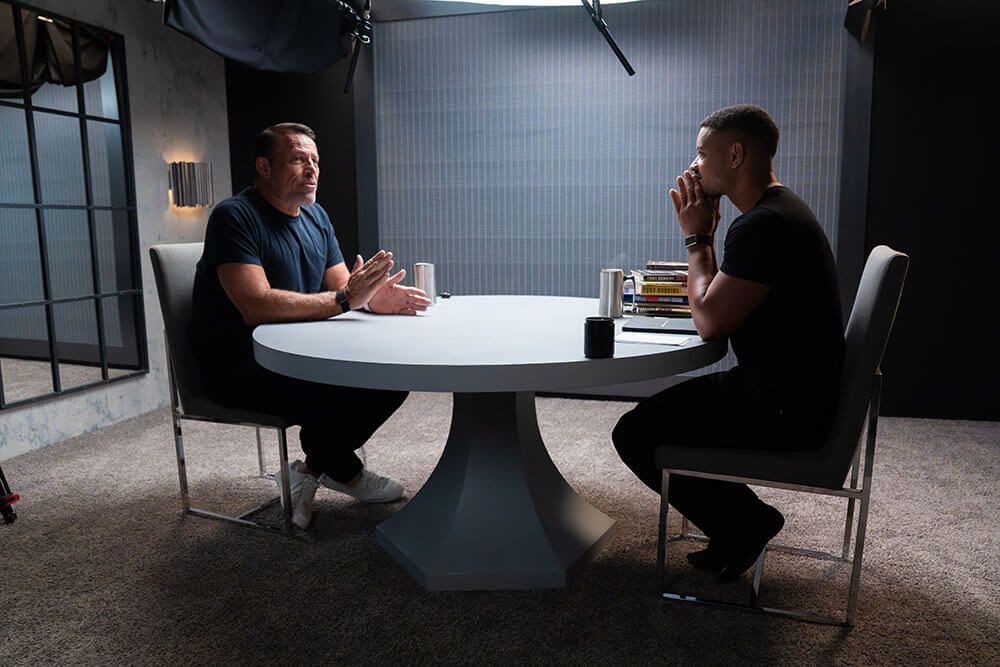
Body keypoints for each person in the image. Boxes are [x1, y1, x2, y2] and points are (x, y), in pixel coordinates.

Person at [612, 105, 845, 581]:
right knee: (656, 420)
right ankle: (739, 525)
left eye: (702, 153)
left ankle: (747, 522)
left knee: (634, 433)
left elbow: (711, 323)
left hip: (783, 411)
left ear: (735, 154)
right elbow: (719, 304)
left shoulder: (763, 226)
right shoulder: (779, 212)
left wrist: (698, 239)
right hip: (795, 396)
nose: (693, 165)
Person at [188, 122, 432, 530]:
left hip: (295, 357)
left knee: (391, 377)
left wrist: (373, 299)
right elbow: (255, 305)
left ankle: (312, 468)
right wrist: (347, 298)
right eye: (298, 159)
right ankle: (342, 469)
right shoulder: (235, 216)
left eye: (315, 161)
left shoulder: (316, 217)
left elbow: (342, 286)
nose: (311, 169)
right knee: (339, 394)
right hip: (239, 364)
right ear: (264, 167)